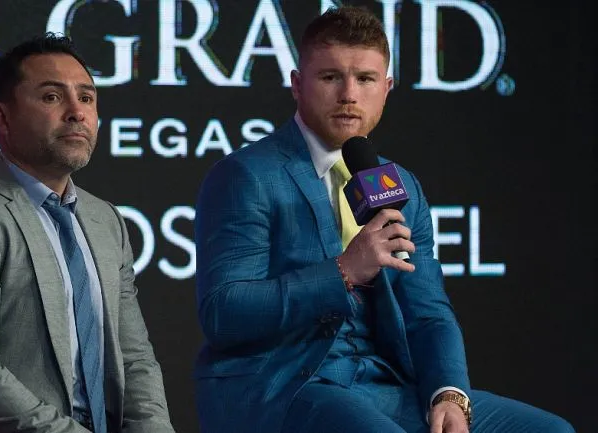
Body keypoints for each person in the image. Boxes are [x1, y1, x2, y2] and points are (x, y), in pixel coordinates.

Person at [193, 6, 573, 433]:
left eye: (366, 79)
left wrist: (448, 394)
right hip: (284, 384)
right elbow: (223, 313)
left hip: (384, 386)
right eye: (330, 77)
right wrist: (343, 272)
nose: (349, 95)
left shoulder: (398, 184)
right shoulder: (248, 175)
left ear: (387, 87)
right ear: (297, 84)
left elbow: (428, 311)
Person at [0, 33, 175, 433]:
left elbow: (134, 356)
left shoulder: (106, 220)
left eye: (86, 98)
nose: (76, 112)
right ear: (2, 117)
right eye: (52, 97)